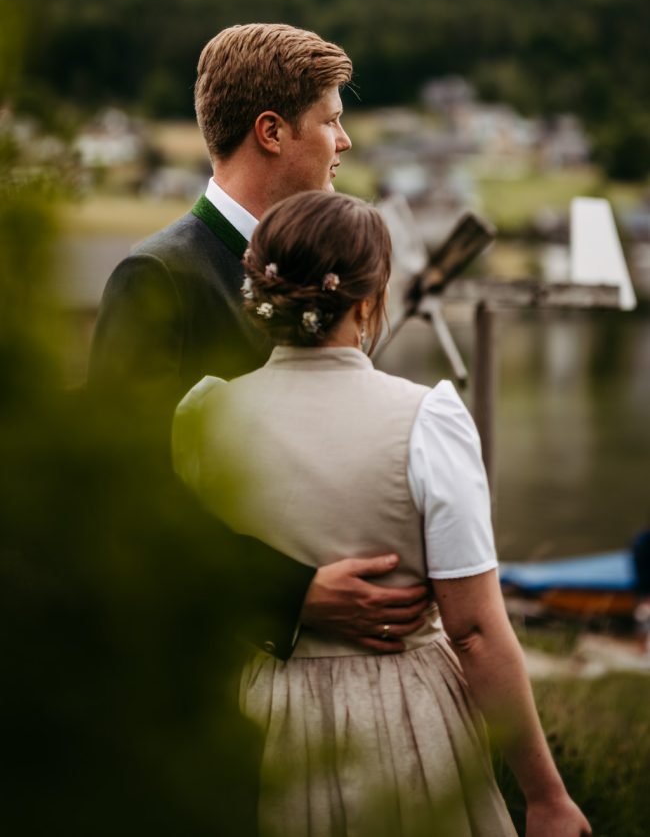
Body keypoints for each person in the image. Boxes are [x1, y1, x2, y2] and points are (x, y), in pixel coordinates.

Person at [174, 191, 592, 837]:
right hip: (403, 721)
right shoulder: (428, 420)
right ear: (369, 302)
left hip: (256, 720)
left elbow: (193, 575)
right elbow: (475, 631)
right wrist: (546, 795)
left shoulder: (204, 417)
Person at [88, 23, 428, 659]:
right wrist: (289, 592)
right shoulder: (158, 275)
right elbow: (129, 490)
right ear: (271, 132)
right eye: (330, 121)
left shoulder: (311, 271)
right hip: (203, 655)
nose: (345, 141)